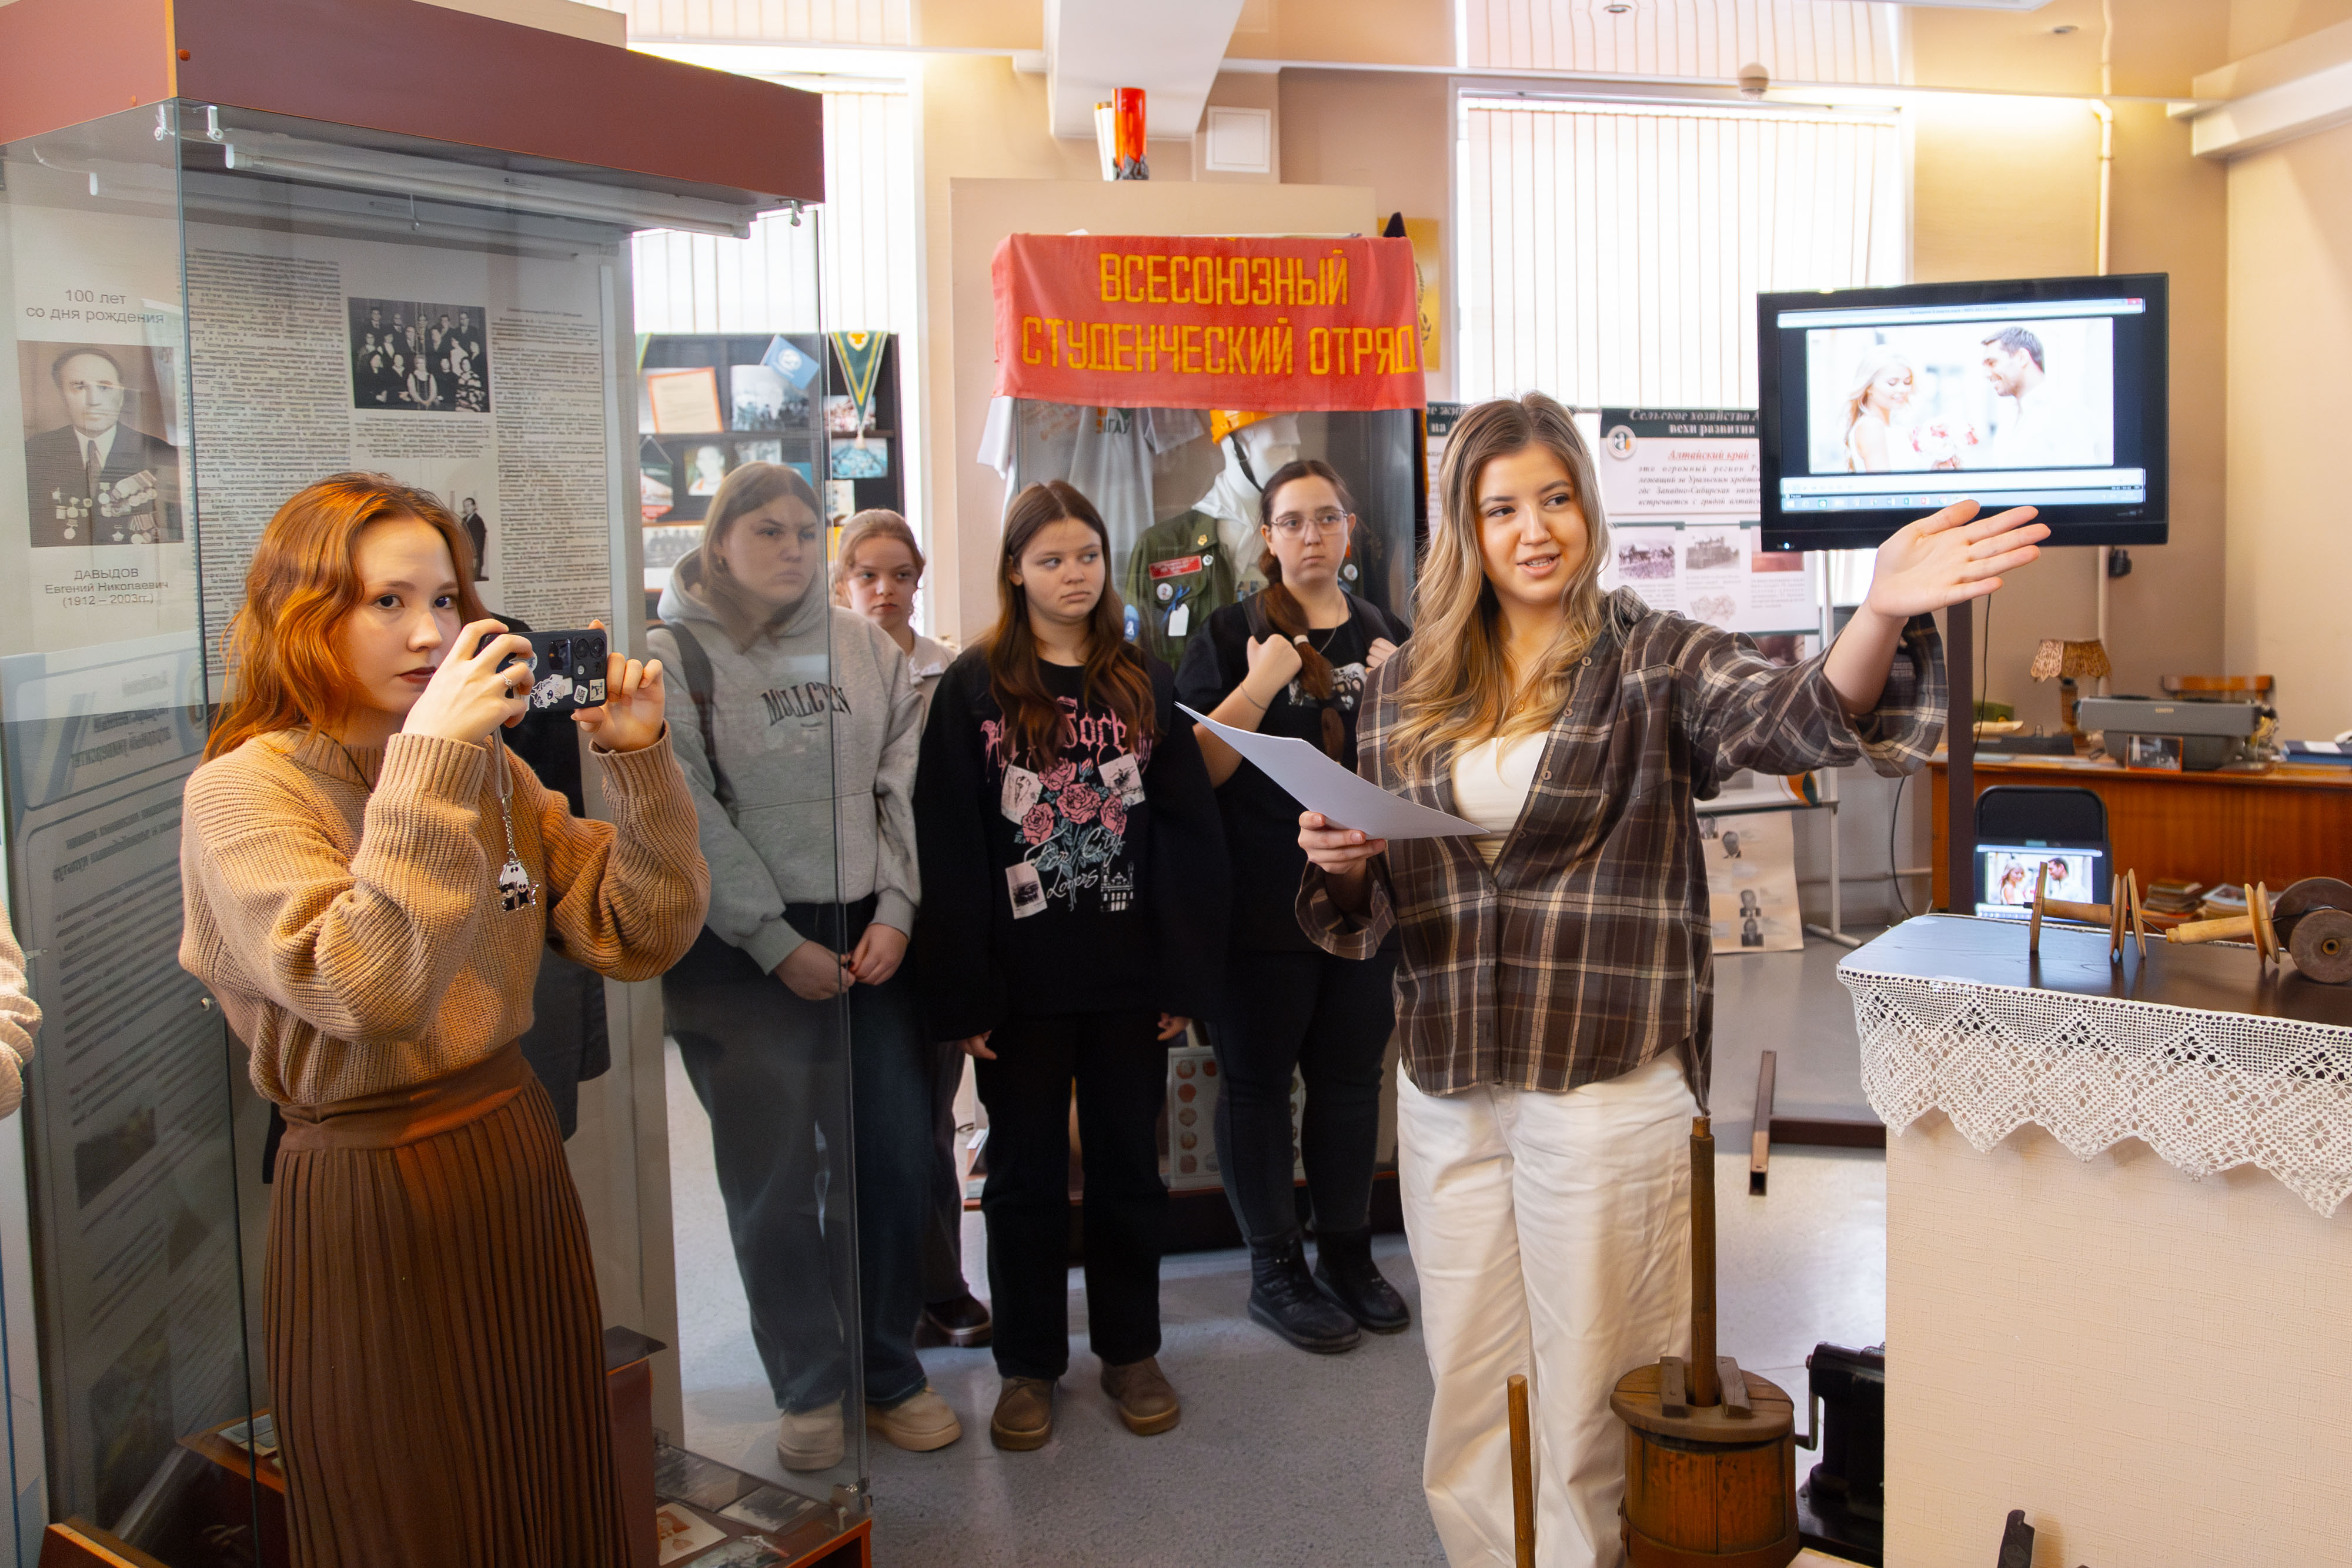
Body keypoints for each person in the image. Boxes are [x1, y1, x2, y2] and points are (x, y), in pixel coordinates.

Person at [1297, 393, 2046, 1567]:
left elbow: (1794, 719)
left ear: (1588, 508)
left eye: (1555, 498)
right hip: (1449, 1074)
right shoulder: (1404, 688)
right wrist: (1343, 864)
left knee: (1598, 1385)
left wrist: (1878, 610)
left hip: (1603, 1076)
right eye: (1502, 508)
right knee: (1469, 1382)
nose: (1534, 530)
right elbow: (1378, 898)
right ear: (1465, 529)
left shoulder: (1656, 656)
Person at [177, 472, 709, 1566]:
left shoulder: (482, 768)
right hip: (369, 1184)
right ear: (303, 613)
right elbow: (367, 989)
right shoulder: (245, 790)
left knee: (546, 1478)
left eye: (446, 600)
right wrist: (429, 759)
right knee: (407, 1504)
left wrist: (639, 759)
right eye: (388, 601)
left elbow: (639, 930)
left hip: (510, 1148)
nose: (430, 633)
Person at [647, 463, 961, 1473]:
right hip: (741, 952)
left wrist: (899, 909)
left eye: (799, 531)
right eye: (765, 531)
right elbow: (685, 809)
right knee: (772, 1176)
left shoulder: (867, 647)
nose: (788, 547)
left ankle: (889, 1369)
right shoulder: (674, 654)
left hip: (872, 936)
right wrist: (775, 943)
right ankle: (810, 1383)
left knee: (894, 1160)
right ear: (719, 542)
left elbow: (904, 785)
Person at [912, 479, 1228, 1452]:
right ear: (1016, 570)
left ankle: (1131, 1350)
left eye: (1086, 554)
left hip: (1130, 982)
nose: (1073, 574)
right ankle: (1028, 1365)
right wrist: (964, 989)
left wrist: (1182, 976)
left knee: (1132, 1170)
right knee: (1023, 1178)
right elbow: (949, 843)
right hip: (1020, 989)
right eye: (1050, 559)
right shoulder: (974, 686)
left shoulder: (1142, 681)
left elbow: (1187, 835)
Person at [1173, 459, 1411, 1355]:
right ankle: (1275, 1268)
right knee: (1258, 1084)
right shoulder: (1230, 631)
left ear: (1351, 530)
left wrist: (1403, 690)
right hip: (1260, 904)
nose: (1313, 535)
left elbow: (1421, 765)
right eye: (1293, 521)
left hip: (1362, 899)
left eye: (1328, 518)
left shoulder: (1388, 634)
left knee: (1352, 1081)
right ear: (1267, 538)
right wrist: (1262, 682)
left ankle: (1347, 1252)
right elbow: (1195, 771)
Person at [831, 508, 984, 1349]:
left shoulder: (948, 675)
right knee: (859, 1120)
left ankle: (941, 1282)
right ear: (842, 583)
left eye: (899, 575)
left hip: (932, 913)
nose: (884, 590)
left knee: (928, 1116)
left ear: (919, 583)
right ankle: (868, 1298)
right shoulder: (823, 673)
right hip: (851, 911)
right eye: (867, 575)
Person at [24, 346, 181, 547]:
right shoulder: (34, 452)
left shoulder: (160, 452)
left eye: (105, 387)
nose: (93, 401)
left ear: (121, 396)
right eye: (79, 387)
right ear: (63, 396)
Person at [1980, 326, 2099, 468]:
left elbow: (2081, 479)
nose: (1986, 374)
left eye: (1992, 363)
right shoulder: (2011, 415)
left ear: (2022, 358)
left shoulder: (2066, 412)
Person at [1840, 350, 1918, 473]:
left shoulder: (1895, 429)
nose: (1903, 389)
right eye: (1892, 383)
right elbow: (1883, 484)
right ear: (1869, 387)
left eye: (1907, 382)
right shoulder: (1871, 426)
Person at [458, 497, 489, 580]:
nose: (466, 508)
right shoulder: (464, 520)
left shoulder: (478, 521)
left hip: (474, 557)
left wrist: (474, 556)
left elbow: (479, 542)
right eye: (465, 506)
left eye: (468, 506)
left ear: (474, 506)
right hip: (465, 555)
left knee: (474, 579)